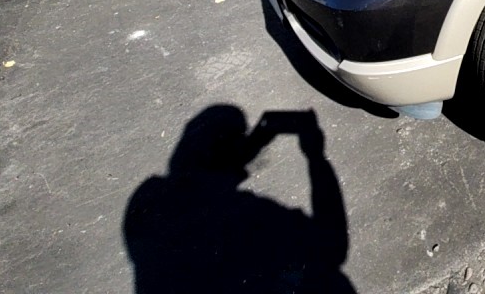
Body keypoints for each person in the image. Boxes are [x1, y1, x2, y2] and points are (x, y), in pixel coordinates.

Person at [123, 106, 356, 294]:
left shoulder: (149, 205)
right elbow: (332, 247)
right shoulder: (251, 217)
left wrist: (241, 153)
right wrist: (316, 157)